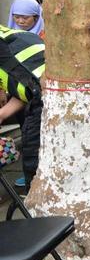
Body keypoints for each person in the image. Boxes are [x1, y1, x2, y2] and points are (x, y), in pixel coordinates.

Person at [0, 25, 45, 193]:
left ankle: (38, 211)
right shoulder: (13, 37)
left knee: (35, 159)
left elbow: (34, 89)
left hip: (46, 99)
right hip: (45, 94)